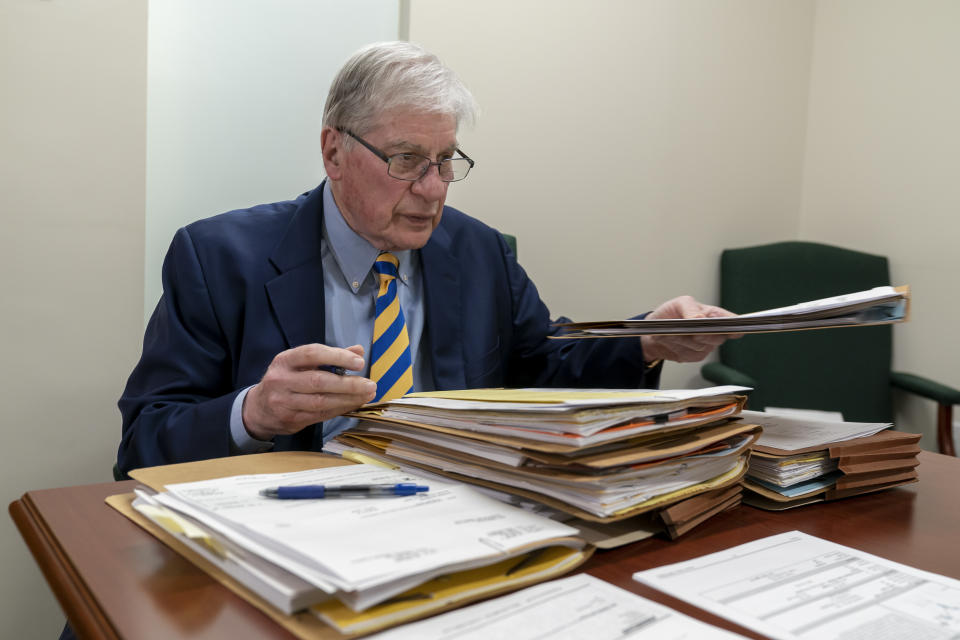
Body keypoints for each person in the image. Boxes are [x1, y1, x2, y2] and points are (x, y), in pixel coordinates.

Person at [116, 41, 736, 475]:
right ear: (334, 152)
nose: (434, 189)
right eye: (407, 160)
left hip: (451, 520)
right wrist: (253, 413)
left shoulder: (479, 251)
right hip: (284, 528)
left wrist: (650, 339)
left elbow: (545, 368)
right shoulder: (219, 256)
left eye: (445, 161)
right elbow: (143, 444)